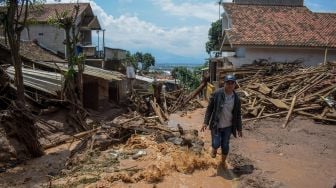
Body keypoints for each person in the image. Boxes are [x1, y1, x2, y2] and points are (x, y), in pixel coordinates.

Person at [201, 74, 242, 168]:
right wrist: (205, 122)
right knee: (216, 143)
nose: (230, 85)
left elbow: (238, 114)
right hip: (216, 125)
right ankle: (214, 149)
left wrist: (239, 128)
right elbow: (209, 109)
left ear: (235, 84)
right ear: (224, 84)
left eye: (232, 83)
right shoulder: (217, 94)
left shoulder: (236, 99)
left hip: (228, 126)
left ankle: (223, 162)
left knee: (225, 145)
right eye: (228, 83)